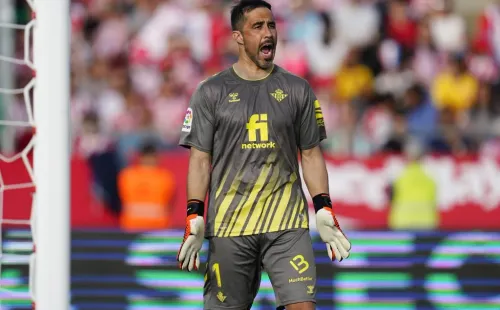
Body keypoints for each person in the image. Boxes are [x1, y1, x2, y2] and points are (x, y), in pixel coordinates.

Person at [177, 1, 351, 310]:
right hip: (231, 223)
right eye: (257, 27)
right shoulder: (210, 92)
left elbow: (310, 154)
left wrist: (323, 207)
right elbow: (200, 160)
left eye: (271, 25)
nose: (267, 33)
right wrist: (195, 213)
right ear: (238, 37)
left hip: (286, 222)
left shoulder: (298, 90)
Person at [117, 141, 176, 231]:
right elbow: (170, 203)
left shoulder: (127, 175)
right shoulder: (165, 177)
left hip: (138, 226)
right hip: (152, 227)